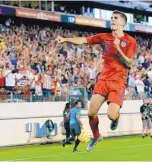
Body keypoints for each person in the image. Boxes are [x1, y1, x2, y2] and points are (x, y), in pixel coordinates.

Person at [56, 10, 137, 152]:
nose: (112, 20)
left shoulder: (130, 41)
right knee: (90, 113)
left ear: (123, 23)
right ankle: (97, 136)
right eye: (111, 17)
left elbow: (130, 62)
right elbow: (84, 40)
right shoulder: (104, 37)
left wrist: (118, 49)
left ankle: (116, 118)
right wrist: (65, 39)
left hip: (118, 82)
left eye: (115, 18)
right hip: (103, 80)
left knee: (111, 115)